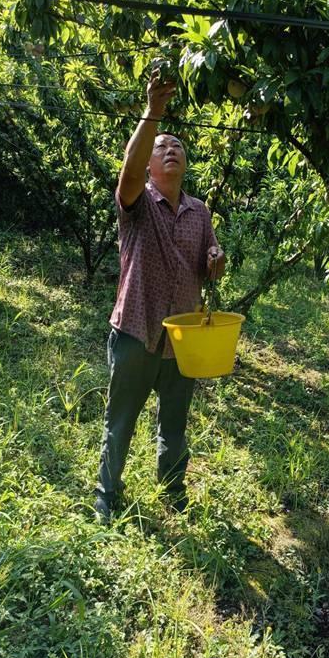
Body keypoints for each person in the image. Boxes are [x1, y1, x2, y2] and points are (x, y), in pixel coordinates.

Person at [94, 69, 225, 523]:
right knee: (121, 421)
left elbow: (207, 266)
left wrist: (215, 259)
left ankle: (173, 490)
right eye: (161, 147)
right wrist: (153, 113)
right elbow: (126, 176)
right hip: (135, 328)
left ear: (185, 164)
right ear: (149, 163)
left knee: (174, 422)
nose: (170, 151)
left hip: (181, 339)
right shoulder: (136, 202)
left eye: (178, 148)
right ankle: (105, 496)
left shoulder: (200, 211)